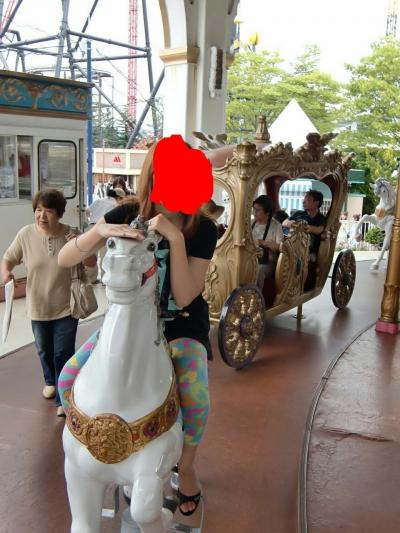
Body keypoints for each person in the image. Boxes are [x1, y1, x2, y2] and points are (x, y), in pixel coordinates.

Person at [58, 141, 218, 516]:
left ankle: (187, 465)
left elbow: (185, 294)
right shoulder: (129, 213)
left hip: (180, 325)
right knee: (67, 379)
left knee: (195, 395)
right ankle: (98, 454)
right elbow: (65, 258)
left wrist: (174, 238)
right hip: (128, 323)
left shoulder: (203, 229)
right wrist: (99, 232)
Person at [0, 189, 97, 417]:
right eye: (38, 210)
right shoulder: (25, 234)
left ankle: (63, 397)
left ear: (59, 213)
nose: (41, 215)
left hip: (67, 305)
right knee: (44, 350)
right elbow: (8, 258)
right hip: (38, 305)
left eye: (48, 211)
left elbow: (92, 263)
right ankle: (51, 381)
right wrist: (6, 273)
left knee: (62, 352)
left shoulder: (72, 234)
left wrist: (80, 247)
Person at [282, 189, 326, 260]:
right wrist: (291, 224)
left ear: (316, 203)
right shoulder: (298, 213)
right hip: (290, 243)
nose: (303, 202)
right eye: (304, 200)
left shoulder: (320, 218)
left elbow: (319, 230)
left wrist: (302, 227)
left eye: (307, 200)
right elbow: (284, 222)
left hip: (308, 248)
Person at [252, 195, 283, 290]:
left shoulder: (276, 226)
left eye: (258, 210)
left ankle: (255, 296)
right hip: (250, 259)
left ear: (267, 212)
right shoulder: (250, 223)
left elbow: (280, 247)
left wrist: (263, 243)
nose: (254, 213)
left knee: (258, 270)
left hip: (267, 262)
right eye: (254, 209)